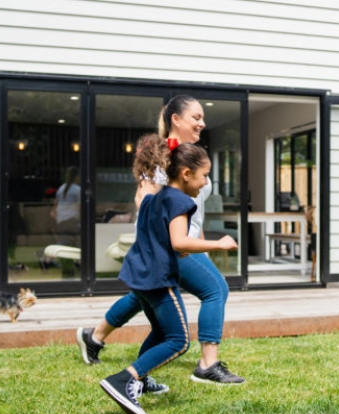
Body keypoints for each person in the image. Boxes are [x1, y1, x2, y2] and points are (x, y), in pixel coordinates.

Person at [78, 95, 244, 391]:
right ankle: (207, 365)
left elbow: (195, 211)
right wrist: (176, 244)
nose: (202, 123)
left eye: (203, 118)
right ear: (175, 119)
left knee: (144, 296)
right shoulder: (161, 157)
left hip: (185, 240)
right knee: (214, 290)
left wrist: (200, 241)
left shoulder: (190, 156)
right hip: (169, 244)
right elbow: (144, 201)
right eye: (196, 117)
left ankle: (95, 336)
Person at [100, 140, 236, 414]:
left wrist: (177, 247)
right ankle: (125, 379)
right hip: (158, 279)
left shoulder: (155, 197)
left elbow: (157, 234)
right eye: (204, 175)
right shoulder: (181, 201)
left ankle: (139, 381)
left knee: (162, 332)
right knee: (178, 340)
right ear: (186, 174)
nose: (205, 183)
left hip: (139, 275)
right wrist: (219, 244)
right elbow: (179, 241)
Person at [50, 166, 81, 277]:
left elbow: (54, 210)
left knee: (65, 242)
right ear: (77, 177)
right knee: (85, 238)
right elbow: (79, 208)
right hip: (72, 221)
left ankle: (51, 259)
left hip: (61, 221)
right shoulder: (77, 190)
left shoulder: (61, 189)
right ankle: (79, 261)